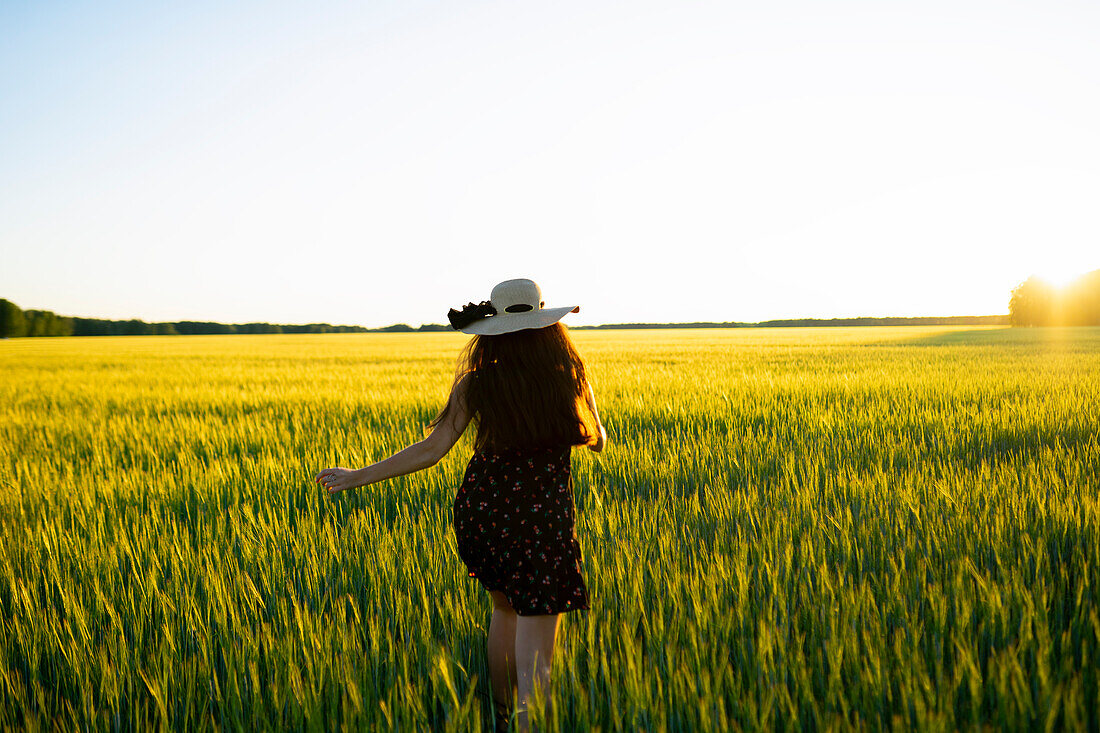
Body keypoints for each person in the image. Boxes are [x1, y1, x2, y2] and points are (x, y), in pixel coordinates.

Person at [315, 278, 607, 733]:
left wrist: (358, 476)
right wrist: (578, 396)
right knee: (538, 632)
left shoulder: (476, 383)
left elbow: (432, 450)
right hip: (541, 517)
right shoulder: (568, 376)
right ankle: (529, 725)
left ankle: (501, 716)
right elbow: (598, 442)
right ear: (548, 323)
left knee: (504, 609)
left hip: (483, 513)